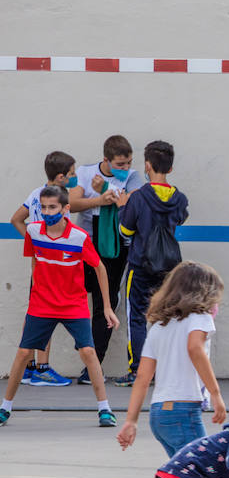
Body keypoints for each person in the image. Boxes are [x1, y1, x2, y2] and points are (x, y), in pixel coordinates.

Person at [115, 261, 229, 478]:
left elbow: (142, 378)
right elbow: (195, 348)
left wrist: (131, 420)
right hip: (184, 411)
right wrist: (216, 394)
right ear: (204, 293)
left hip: (160, 414)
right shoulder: (200, 318)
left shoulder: (159, 327)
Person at [0, 186, 119, 428]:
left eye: (52, 207)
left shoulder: (79, 237)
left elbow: (100, 268)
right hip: (42, 304)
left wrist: (107, 307)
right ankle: (5, 407)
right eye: (43, 207)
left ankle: (105, 409)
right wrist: (36, 294)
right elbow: (35, 260)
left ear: (66, 209)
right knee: (24, 354)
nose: (46, 211)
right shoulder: (33, 231)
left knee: (88, 352)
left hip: (73, 304)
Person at [113, 140, 189, 387]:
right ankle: (167, 368)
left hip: (140, 263)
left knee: (136, 316)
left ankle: (137, 370)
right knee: (167, 317)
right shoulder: (179, 198)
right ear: (171, 168)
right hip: (169, 267)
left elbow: (126, 230)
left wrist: (122, 207)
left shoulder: (139, 197)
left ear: (147, 165)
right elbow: (180, 219)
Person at [70, 135, 145, 380]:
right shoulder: (85, 172)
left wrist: (107, 190)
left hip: (117, 248)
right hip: (86, 244)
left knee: (107, 301)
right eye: (120, 165)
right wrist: (100, 199)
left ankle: (93, 365)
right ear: (106, 160)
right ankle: (85, 351)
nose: (125, 169)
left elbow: (132, 204)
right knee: (76, 298)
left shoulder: (133, 177)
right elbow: (72, 203)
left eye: (128, 163)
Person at [9, 150, 79, 386]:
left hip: (40, 264)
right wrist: (34, 241)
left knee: (35, 312)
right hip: (51, 266)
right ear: (60, 177)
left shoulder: (35, 193)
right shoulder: (59, 198)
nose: (74, 177)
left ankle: (29, 366)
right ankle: (42, 368)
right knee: (46, 313)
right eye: (71, 174)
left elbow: (16, 219)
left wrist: (32, 241)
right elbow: (17, 220)